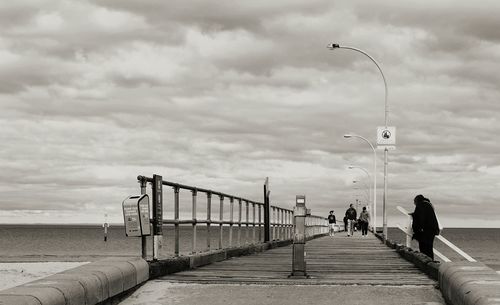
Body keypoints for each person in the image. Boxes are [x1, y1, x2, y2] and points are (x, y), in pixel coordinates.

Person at [411, 194, 440, 260]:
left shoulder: (420, 205)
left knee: (424, 247)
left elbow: (421, 217)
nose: (414, 203)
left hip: (425, 230)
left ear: (417, 201)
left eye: (414, 202)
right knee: (429, 247)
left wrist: (418, 230)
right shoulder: (429, 204)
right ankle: (431, 261)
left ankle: (426, 262)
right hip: (432, 229)